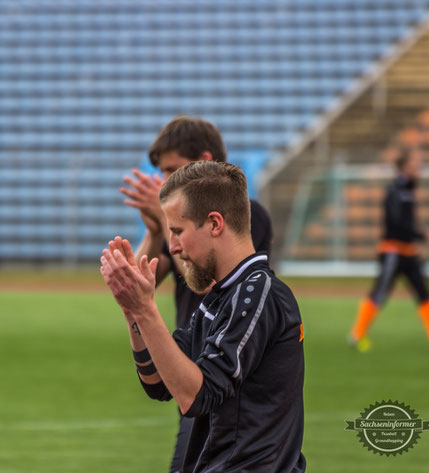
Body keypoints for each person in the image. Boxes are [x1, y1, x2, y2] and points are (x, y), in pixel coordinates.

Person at [101, 161, 305, 473]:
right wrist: (133, 312)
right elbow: (158, 383)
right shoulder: (222, 295)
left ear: (214, 224)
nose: (173, 247)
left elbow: (196, 395)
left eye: (178, 231)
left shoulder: (258, 294)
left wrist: (146, 309)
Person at [119, 116, 273, 472]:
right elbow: (144, 282)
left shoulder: (250, 217)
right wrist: (157, 228)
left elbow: (210, 282)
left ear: (203, 160)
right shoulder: (181, 231)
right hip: (188, 358)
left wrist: (165, 212)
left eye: (173, 170)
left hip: (228, 378)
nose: (165, 183)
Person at [349, 150, 429, 352]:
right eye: (414, 164)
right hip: (393, 251)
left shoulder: (408, 190)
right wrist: (423, 235)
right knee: (380, 293)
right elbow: (397, 224)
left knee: (425, 294)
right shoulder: (396, 191)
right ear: (404, 168)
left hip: (408, 252)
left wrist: (417, 238)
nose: (418, 168)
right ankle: (357, 335)